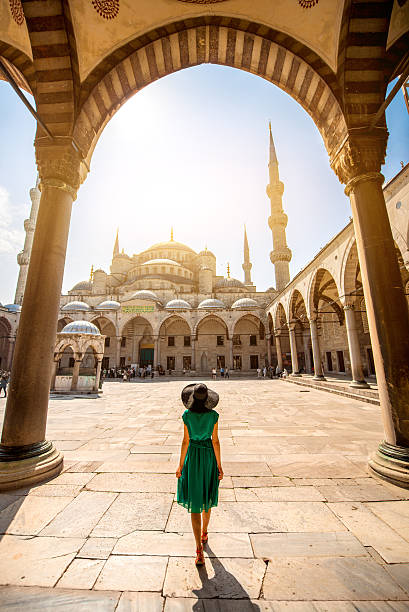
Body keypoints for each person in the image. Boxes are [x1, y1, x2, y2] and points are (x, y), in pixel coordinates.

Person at [176, 383, 223, 566]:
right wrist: (219, 465)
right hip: (208, 457)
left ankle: (198, 550)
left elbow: (185, 441)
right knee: (206, 498)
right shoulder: (213, 416)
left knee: (195, 503)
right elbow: (216, 441)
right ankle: (204, 532)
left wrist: (180, 466)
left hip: (193, 458)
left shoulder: (187, 416)